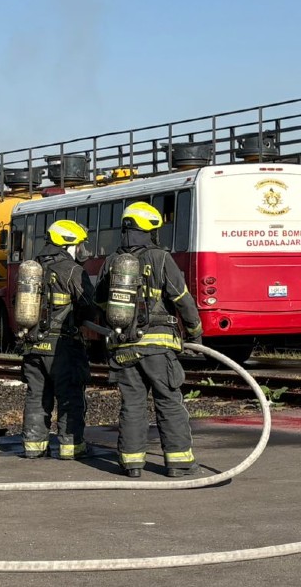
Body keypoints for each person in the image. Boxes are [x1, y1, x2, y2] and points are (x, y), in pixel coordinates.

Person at [94, 201, 204, 478]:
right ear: (150, 230)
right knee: (168, 401)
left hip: (123, 347)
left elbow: (99, 302)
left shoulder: (112, 261)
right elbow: (182, 299)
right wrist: (195, 333)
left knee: (132, 405)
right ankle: (179, 463)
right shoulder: (160, 257)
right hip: (157, 347)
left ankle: (131, 464)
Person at [19, 219, 96, 460]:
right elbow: (89, 306)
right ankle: (72, 447)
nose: (82, 250)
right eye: (80, 245)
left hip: (33, 346)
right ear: (68, 245)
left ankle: (34, 447)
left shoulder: (32, 268)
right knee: (70, 396)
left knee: (36, 397)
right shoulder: (72, 270)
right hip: (63, 347)